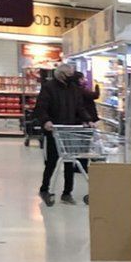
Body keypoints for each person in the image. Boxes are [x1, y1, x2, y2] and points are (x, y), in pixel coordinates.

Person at [35, 63, 96, 206]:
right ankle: (44, 189)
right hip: (55, 130)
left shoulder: (74, 89)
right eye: (70, 75)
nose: (72, 77)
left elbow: (80, 107)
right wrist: (46, 121)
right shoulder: (49, 87)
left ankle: (67, 193)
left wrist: (88, 119)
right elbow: (41, 107)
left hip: (70, 129)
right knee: (52, 161)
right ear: (61, 75)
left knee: (70, 161)